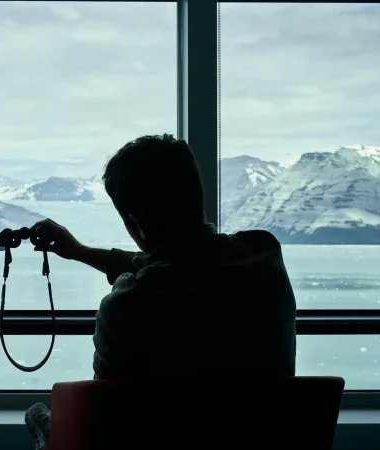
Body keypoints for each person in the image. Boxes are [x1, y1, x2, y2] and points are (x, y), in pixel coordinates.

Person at [23, 134, 297, 449]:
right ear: (198, 194)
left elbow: (102, 421)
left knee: (39, 416)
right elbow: (183, 263)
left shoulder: (128, 306)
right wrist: (80, 252)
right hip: (260, 438)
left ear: (135, 225)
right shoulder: (264, 256)